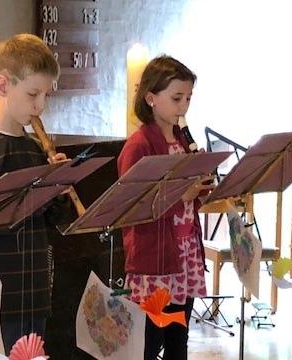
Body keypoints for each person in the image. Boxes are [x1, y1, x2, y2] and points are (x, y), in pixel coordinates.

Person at [0, 33, 69, 353]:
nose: (40, 106)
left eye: (46, 95)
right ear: (3, 85)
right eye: (33, 93)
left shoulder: (36, 149)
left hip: (34, 291)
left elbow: (55, 223)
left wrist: (57, 185)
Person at [117, 55, 214, 360]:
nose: (183, 107)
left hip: (183, 255)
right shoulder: (139, 145)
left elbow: (188, 199)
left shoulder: (184, 141)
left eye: (188, 98)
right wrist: (183, 196)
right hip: (155, 260)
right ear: (151, 98)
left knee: (178, 340)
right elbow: (133, 206)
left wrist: (202, 191)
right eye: (176, 98)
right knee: (149, 341)